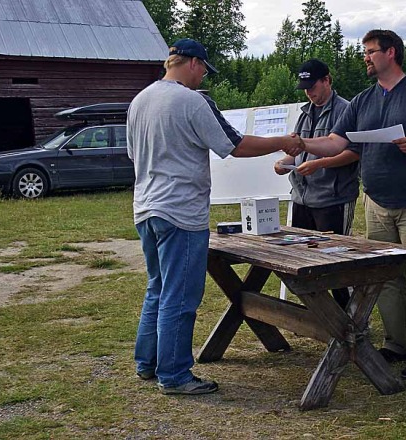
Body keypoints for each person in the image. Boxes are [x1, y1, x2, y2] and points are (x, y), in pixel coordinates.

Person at [126, 38, 303, 396]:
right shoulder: (191, 101)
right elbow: (235, 146)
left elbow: (133, 154)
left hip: (146, 208)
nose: (203, 77)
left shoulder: (140, 100)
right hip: (181, 212)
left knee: (157, 287)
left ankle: (148, 361)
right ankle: (174, 375)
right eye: (204, 70)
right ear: (193, 63)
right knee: (180, 295)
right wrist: (282, 142)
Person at [299, 29, 406, 379]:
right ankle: (396, 343)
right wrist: (302, 144)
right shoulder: (362, 101)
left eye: (371, 51)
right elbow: (336, 142)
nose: (366, 58)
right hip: (377, 203)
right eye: (365, 52)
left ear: (391, 53)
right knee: (384, 276)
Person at [274, 59, 360, 309]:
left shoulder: (346, 110)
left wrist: (319, 164)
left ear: (327, 80)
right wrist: (284, 162)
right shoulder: (304, 113)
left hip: (333, 199)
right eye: (304, 88)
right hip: (302, 198)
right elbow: (297, 151)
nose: (308, 92)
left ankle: (350, 316)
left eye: (312, 86)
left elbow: (354, 153)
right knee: (304, 259)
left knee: (336, 260)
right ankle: (318, 314)